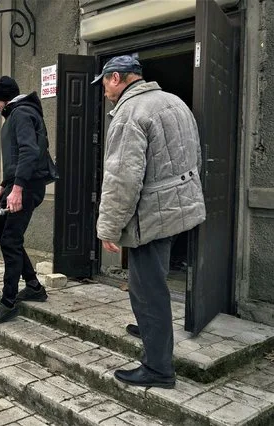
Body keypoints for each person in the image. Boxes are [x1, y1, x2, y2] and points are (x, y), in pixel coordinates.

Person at [92, 56, 206, 388]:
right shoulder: (174, 102)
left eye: (103, 84)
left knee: (147, 289)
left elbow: (122, 180)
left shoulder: (129, 114)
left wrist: (108, 227)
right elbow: (194, 155)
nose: (103, 92)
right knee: (155, 279)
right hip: (177, 208)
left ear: (116, 78)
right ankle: (149, 327)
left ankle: (158, 369)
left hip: (152, 214)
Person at [0, 76, 58, 325]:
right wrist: (5, 184)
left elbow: (28, 151)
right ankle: (34, 286)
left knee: (10, 239)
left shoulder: (22, 114)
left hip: (26, 187)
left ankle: (8, 301)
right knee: (5, 235)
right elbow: (15, 157)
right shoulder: (16, 113)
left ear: (3, 98)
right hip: (19, 184)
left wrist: (17, 189)